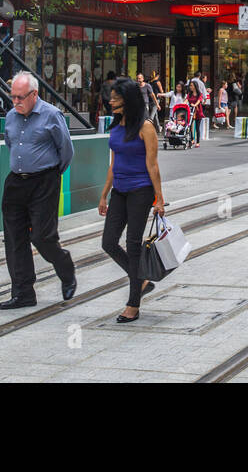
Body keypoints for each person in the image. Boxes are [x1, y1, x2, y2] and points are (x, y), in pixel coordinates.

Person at [0, 72, 76, 309]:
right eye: (13, 97)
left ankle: (65, 266)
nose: (16, 102)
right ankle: (23, 293)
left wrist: (51, 176)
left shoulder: (52, 115)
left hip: (44, 180)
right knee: (13, 239)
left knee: (42, 236)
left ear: (34, 94)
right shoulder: (11, 116)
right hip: (16, 182)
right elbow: (11, 145)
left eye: (21, 97)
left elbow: (66, 150)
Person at [98, 77, 167, 324]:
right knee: (108, 242)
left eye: (116, 98)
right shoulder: (116, 127)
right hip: (120, 190)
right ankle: (142, 280)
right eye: (111, 97)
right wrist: (104, 194)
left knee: (134, 244)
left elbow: (153, 164)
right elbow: (113, 164)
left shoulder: (145, 127)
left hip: (141, 190)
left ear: (128, 100)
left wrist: (159, 199)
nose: (111, 101)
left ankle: (133, 304)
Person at [185, 82, 204, 148]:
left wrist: (195, 105)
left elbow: (199, 100)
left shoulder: (199, 94)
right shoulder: (189, 94)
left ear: (195, 86)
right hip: (191, 112)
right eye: (190, 85)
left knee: (197, 128)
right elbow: (186, 100)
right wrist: (183, 104)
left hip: (198, 112)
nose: (190, 87)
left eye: (191, 85)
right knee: (189, 126)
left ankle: (198, 142)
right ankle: (192, 139)